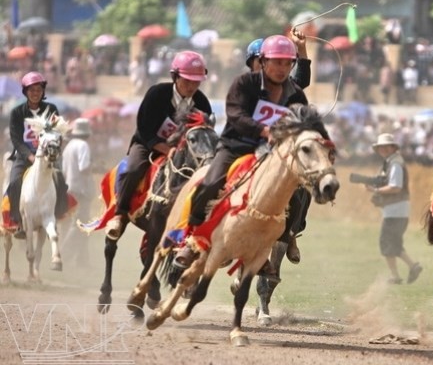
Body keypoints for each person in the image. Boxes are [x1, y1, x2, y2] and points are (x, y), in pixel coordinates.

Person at [174, 34, 327, 269]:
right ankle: (191, 237)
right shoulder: (245, 85)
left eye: (287, 63)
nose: (280, 68)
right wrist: (265, 131)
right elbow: (236, 115)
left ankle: (288, 235)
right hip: (238, 147)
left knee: (299, 192)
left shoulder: (292, 91)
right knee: (210, 183)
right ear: (261, 62)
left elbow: (301, 105)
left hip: (271, 154)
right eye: (274, 61)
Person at [104, 50, 213, 240]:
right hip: (147, 144)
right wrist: (164, 148)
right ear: (175, 76)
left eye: (196, 82)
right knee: (132, 169)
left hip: (183, 155)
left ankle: (198, 227)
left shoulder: (202, 103)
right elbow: (144, 128)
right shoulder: (156, 93)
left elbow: (204, 134)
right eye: (187, 80)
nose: (191, 86)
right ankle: (120, 214)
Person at [243, 31, 312, 264]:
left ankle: (291, 233)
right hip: (251, 148)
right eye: (266, 60)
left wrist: (301, 48)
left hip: (281, 151)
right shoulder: (246, 87)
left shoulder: (288, 86)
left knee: (304, 185)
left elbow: (302, 79)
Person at [6, 71, 70, 239]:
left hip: (48, 154)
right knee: (14, 182)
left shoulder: (52, 109)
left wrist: (53, 152)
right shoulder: (17, 112)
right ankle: (17, 221)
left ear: (43, 91)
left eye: (38, 90)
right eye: (32, 90)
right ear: (25, 91)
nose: (35, 93)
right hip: (24, 156)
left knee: (60, 180)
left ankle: (57, 214)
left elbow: (59, 132)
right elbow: (16, 139)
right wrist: (29, 157)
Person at [369, 133, 422, 284]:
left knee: (386, 242)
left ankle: (396, 275)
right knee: (393, 243)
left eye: (386, 146)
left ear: (393, 147)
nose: (383, 149)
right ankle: (412, 267)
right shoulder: (392, 162)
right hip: (396, 210)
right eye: (381, 147)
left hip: (395, 210)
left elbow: (395, 187)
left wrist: (376, 191)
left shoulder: (395, 164)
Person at [60, 118, 94, 267]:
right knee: (79, 225)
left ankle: (82, 261)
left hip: (69, 188)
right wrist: (95, 167)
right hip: (81, 190)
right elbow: (84, 167)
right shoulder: (83, 145)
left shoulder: (69, 146)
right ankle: (62, 256)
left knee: (76, 225)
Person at [245, 30, 312, 89]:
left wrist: (301, 47)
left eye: (287, 63)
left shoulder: (287, 88)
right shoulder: (244, 87)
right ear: (251, 63)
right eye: (262, 61)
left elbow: (302, 81)